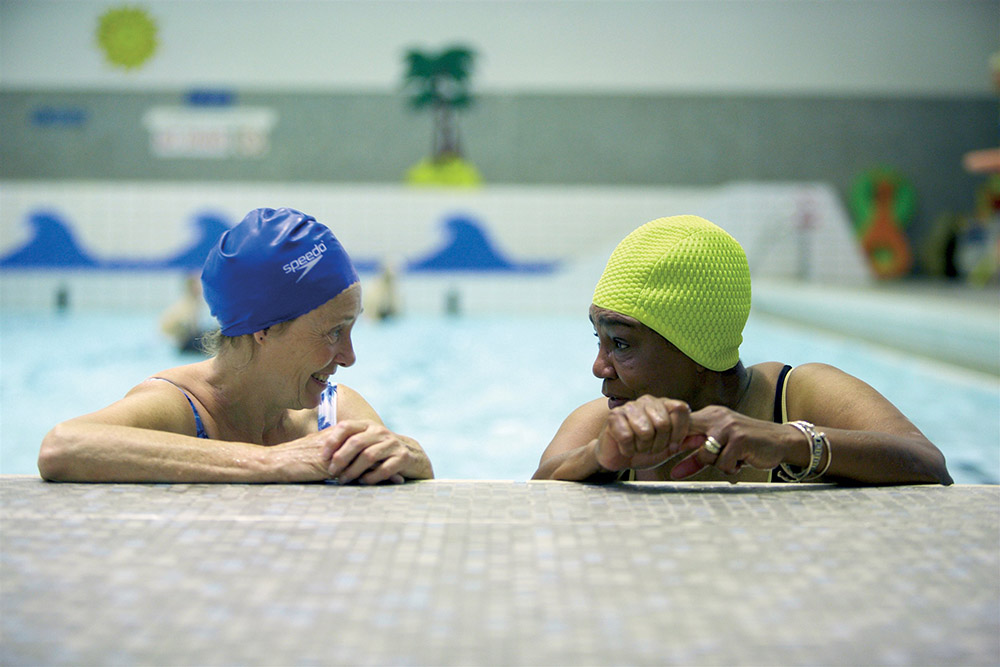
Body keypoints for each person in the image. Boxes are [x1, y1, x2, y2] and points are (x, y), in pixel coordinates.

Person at [533, 215, 953, 485]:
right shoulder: (604, 424)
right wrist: (598, 456)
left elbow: (928, 464)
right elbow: (535, 495)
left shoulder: (799, 396)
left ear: (695, 347)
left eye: (620, 343)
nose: (598, 368)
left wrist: (789, 441)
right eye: (599, 340)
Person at [39, 207, 434, 484]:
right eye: (333, 332)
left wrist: (413, 455)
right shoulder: (181, 409)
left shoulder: (335, 413)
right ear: (263, 328)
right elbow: (63, 446)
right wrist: (265, 462)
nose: (349, 357)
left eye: (352, 329)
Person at [160, 273, 212, 354]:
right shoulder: (188, 304)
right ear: (191, 287)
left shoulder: (194, 302)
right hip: (178, 342)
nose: (201, 287)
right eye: (198, 285)